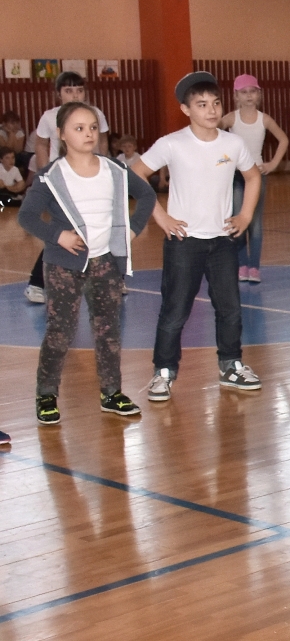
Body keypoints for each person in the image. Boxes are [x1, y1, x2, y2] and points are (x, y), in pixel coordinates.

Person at [18, 102, 159, 424]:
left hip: (105, 262)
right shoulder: (50, 176)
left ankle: (111, 393)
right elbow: (27, 216)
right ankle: (46, 394)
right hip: (63, 265)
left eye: (93, 127)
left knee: (108, 330)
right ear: (61, 134)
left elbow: (147, 195)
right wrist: (58, 236)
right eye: (79, 128)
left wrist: (132, 230)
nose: (88, 134)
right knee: (60, 331)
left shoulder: (114, 169)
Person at [132, 72, 263, 400]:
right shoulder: (172, 143)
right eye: (202, 104)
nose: (211, 110)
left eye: (216, 103)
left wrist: (245, 215)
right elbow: (136, 174)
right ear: (186, 109)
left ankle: (231, 365)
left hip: (223, 241)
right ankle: (163, 371)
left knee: (230, 308)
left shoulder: (233, 144)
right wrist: (160, 216)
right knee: (175, 310)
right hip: (184, 242)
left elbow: (252, 176)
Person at [24, 72, 112, 305]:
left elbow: (103, 141)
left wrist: (104, 167)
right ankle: (37, 282)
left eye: (79, 90)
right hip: (63, 180)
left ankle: (112, 278)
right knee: (63, 230)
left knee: (102, 227)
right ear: (58, 94)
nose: (75, 95)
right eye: (68, 90)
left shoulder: (95, 114)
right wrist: (45, 175)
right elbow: (41, 144)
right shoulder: (49, 117)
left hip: (91, 177)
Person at [219, 74, 290, 284]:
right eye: (244, 92)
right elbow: (213, 134)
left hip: (257, 175)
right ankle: (242, 265)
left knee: (256, 223)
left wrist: (273, 164)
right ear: (236, 96)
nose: (249, 96)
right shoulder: (231, 118)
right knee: (238, 219)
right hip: (236, 176)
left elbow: (283, 140)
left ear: (259, 94)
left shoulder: (264, 119)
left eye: (252, 91)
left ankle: (254, 267)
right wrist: (223, 161)